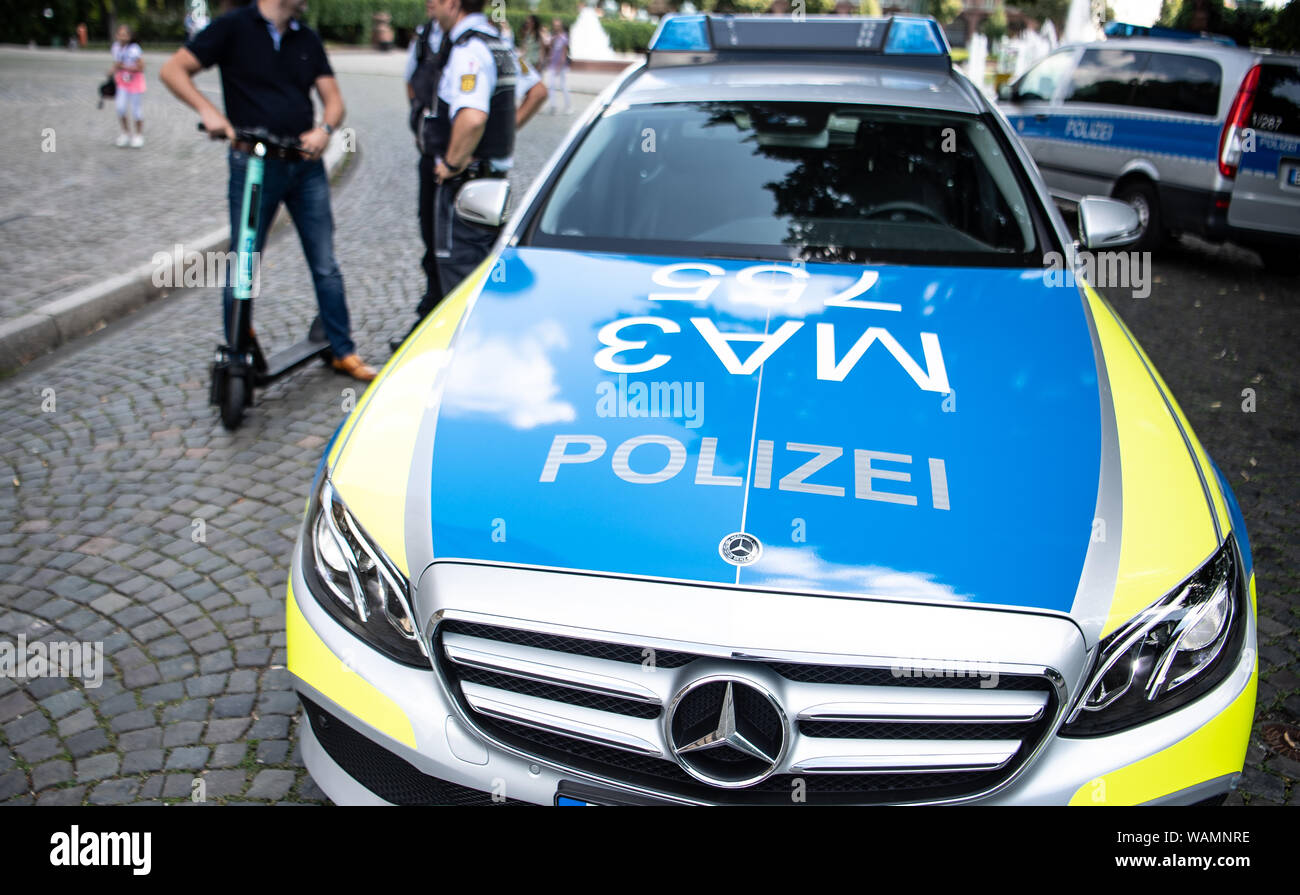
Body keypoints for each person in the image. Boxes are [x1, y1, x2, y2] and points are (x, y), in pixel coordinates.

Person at [159, 0, 378, 381]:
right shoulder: (234, 27)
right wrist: (209, 112)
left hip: (305, 165)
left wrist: (324, 130)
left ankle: (343, 350)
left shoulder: (305, 37)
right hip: (254, 165)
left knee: (325, 262)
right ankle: (237, 353)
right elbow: (173, 69)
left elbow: (334, 100)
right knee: (243, 262)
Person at [394, 0, 542, 347]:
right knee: (484, 275)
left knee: (461, 280)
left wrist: (451, 162)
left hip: (466, 183)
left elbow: (472, 117)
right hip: (491, 180)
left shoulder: (468, 49)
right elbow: (536, 91)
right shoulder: (497, 42)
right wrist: (501, 134)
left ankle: (467, 361)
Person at [110, 25, 146, 148]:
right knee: (120, 108)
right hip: (122, 82)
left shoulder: (135, 49)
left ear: (130, 36)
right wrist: (112, 71)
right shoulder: (115, 48)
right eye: (120, 34)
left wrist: (125, 67)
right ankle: (125, 133)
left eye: (125, 34)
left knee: (136, 110)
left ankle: (138, 135)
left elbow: (141, 67)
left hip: (135, 82)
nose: (122, 36)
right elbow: (117, 63)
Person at [545, 18, 571, 115]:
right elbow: (550, 49)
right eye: (554, 25)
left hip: (562, 66)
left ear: (560, 26)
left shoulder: (564, 37)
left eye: (557, 25)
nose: (555, 27)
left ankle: (568, 106)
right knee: (551, 85)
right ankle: (553, 106)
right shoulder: (553, 37)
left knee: (563, 86)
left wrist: (559, 66)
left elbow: (564, 54)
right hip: (552, 64)